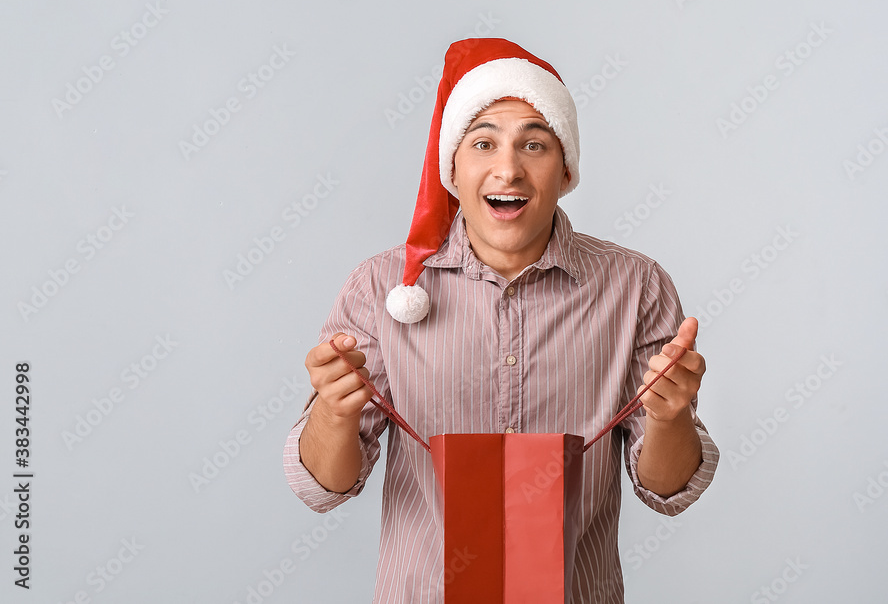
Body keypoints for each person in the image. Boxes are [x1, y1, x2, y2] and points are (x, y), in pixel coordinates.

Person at [284, 37, 719, 603]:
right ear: (452, 171)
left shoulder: (635, 286)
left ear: (565, 171)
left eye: (534, 145)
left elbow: (667, 488)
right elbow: (326, 487)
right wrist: (333, 413)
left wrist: (671, 415)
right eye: (483, 143)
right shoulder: (380, 288)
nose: (507, 169)